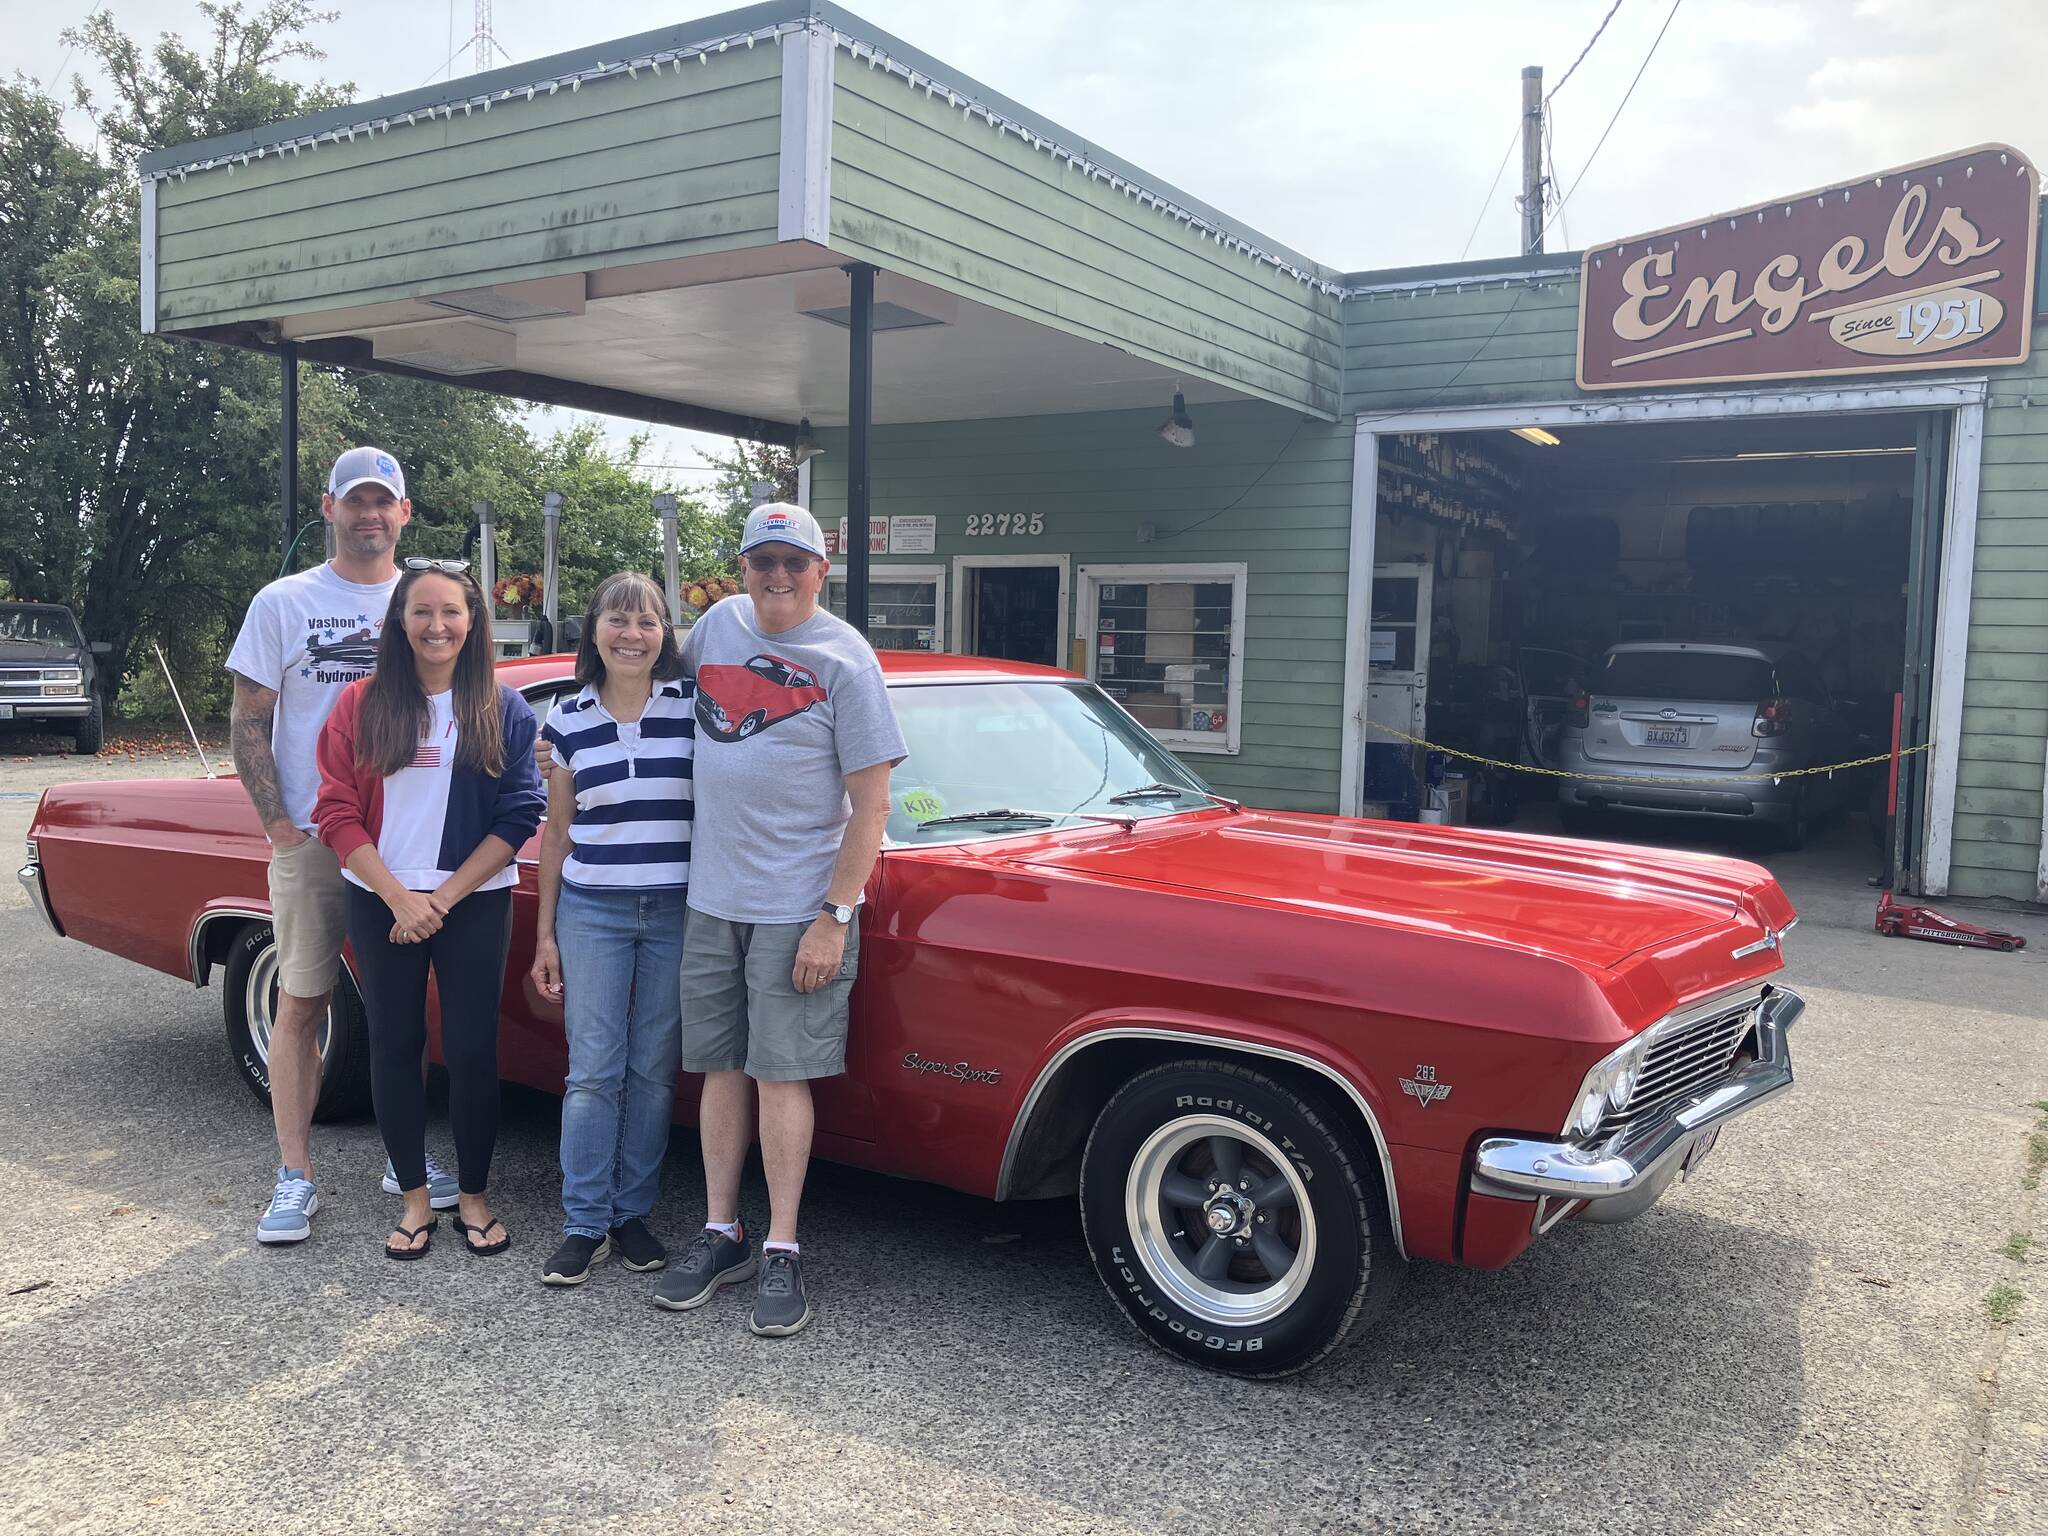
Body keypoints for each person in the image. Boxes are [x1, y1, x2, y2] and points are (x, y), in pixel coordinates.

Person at [654, 503, 905, 1337]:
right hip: (709, 896)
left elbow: (872, 805)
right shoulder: (715, 628)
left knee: (780, 1073)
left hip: (798, 907)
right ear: (743, 566)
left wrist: (834, 915)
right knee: (720, 1067)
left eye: (793, 562)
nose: (777, 576)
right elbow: (641, 694)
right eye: (762, 560)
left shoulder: (847, 659)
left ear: (819, 570)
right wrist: (562, 747)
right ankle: (721, 1231)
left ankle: (783, 1248)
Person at [226, 446, 466, 1244]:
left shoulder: (429, 600)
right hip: (319, 842)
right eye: (354, 501)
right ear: (328, 508)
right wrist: (279, 826)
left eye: (383, 502)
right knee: (303, 1001)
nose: (370, 514)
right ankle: (294, 1177)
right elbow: (249, 719)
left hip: (414, 841)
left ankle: (406, 1161)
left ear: (404, 512)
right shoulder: (284, 602)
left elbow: (477, 703)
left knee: (405, 1011)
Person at [313, 561, 544, 1260]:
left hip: (471, 901)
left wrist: (439, 898)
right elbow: (335, 811)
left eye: (452, 612)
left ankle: (472, 1196)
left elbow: (521, 812)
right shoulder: (361, 702)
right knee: (394, 1046)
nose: (437, 625)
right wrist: (397, 896)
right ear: (399, 621)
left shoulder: (502, 708)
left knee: (474, 1052)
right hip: (381, 898)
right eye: (422, 611)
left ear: (473, 623)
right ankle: (415, 1198)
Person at [531, 572, 696, 1287]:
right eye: (618, 621)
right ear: (593, 630)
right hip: (591, 911)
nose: (632, 635)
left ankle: (632, 1213)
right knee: (593, 1071)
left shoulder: (695, 709)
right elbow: (558, 833)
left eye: (649, 622)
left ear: (666, 636)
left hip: (676, 911)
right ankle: (584, 1223)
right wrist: (544, 933)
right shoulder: (564, 722)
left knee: (653, 1071)